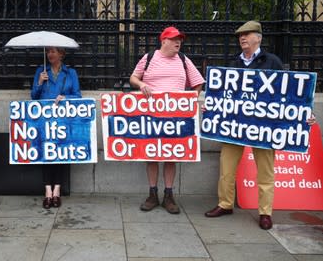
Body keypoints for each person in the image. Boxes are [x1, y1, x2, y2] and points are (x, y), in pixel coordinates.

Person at [204, 20, 316, 230]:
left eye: (247, 34)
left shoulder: (272, 61)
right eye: (240, 35)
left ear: (259, 37)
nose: (243, 38)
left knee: (265, 171)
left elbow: (288, 94)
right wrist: (212, 106)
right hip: (234, 127)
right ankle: (225, 204)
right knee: (226, 168)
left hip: (264, 129)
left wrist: (303, 114)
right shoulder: (233, 63)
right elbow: (223, 94)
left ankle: (265, 212)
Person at [129, 26, 205, 214]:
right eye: (174, 39)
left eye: (180, 39)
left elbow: (198, 83)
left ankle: (168, 195)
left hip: (175, 118)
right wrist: (142, 84)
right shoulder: (148, 58)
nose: (178, 42)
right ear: (163, 41)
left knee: (171, 156)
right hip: (152, 116)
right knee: (152, 155)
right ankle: (153, 194)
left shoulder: (183, 60)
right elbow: (133, 78)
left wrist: (190, 100)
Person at [31, 47, 81, 209]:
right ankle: (47, 191)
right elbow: (34, 96)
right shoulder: (41, 71)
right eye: (48, 52)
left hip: (63, 119)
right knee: (46, 152)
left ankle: (57, 190)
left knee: (60, 153)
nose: (50, 54)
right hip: (44, 120)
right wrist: (39, 82)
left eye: (53, 51)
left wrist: (66, 97)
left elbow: (78, 95)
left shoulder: (70, 73)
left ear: (61, 54)